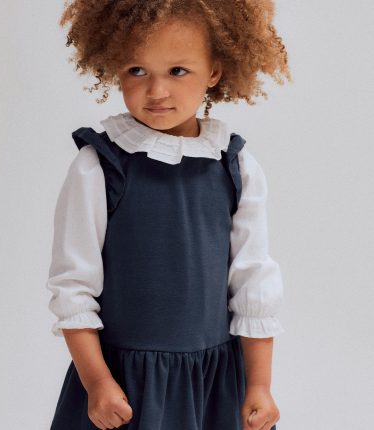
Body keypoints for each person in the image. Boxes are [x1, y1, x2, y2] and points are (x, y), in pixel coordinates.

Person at [45, 1, 292, 429]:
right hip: (125, 386)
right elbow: (73, 287)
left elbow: (253, 280)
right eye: (137, 70)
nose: (156, 91)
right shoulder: (99, 167)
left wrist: (259, 384)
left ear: (214, 71)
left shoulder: (236, 167)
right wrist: (98, 381)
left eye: (178, 71)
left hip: (214, 386)